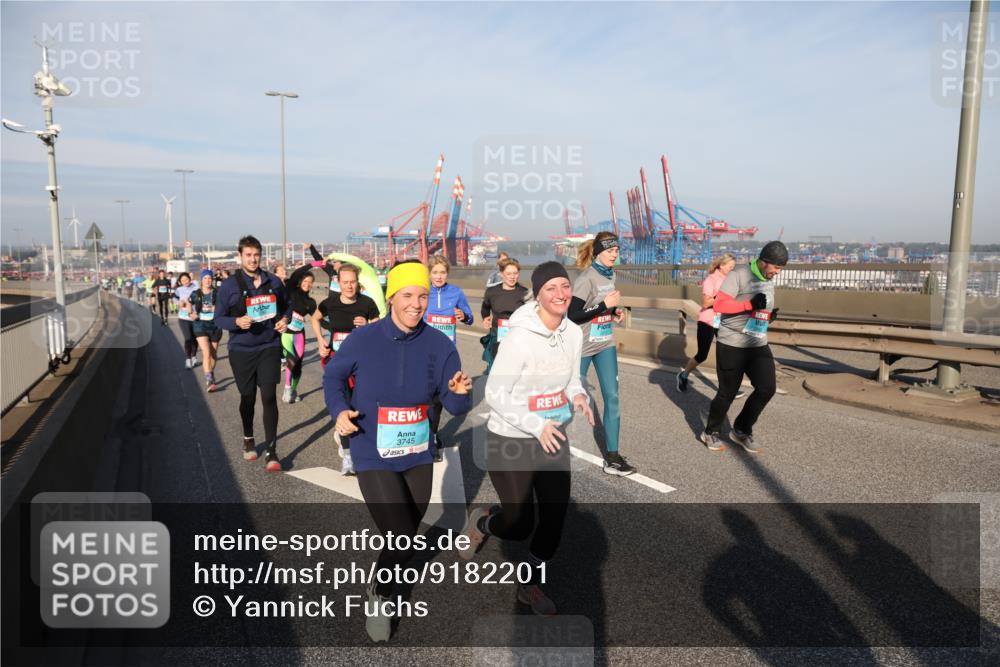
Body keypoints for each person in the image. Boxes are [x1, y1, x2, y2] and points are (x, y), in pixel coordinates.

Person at [324, 260, 472, 642]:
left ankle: (382, 578)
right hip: (371, 447)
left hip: (418, 450)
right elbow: (334, 376)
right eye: (407, 295)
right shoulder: (364, 338)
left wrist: (459, 394)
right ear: (391, 297)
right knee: (402, 535)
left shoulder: (440, 345)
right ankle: (380, 595)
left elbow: (455, 405)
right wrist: (339, 411)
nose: (416, 304)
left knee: (407, 535)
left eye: (422, 296)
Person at [461, 261, 594, 616]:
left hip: (552, 437)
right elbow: (495, 393)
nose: (560, 294)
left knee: (554, 518)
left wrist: (579, 395)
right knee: (519, 525)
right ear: (538, 295)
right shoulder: (519, 338)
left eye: (564, 286)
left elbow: (572, 379)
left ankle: (529, 583)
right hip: (510, 438)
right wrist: (535, 425)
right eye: (551, 288)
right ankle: (483, 521)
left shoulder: (573, 332)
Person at [700, 241, 788, 453]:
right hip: (732, 342)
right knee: (727, 393)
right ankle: (710, 431)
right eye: (776, 267)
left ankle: (740, 430)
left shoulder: (767, 279)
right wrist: (749, 305)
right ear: (764, 262)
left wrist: (767, 316)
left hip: (757, 341)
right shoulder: (738, 274)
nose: (777, 272)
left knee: (767, 388)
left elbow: (760, 306)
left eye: (780, 269)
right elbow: (720, 304)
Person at [214, 235, 292, 472]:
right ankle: (248, 437)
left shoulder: (273, 281)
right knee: (247, 397)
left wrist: (284, 320)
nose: (252, 259)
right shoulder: (229, 286)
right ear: (240, 257)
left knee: (268, 395)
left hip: (269, 346)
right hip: (241, 349)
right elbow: (218, 318)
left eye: (256, 255)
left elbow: (287, 305)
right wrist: (236, 322)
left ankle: (271, 451)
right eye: (248, 255)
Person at [568, 232, 635, 476]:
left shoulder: (611, 274)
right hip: (583, 347)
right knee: (569, 397)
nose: (614, 255)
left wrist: (612, 312)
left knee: (612, 397)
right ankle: (549, 440)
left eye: (616, 250)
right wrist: (604, 306)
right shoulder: (586, 278)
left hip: (605, 343)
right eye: (610, 251)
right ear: (598, 252)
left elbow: (602, 306)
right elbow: (573, 315)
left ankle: (613, 457)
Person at [312, 263, 380, 475]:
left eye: (353, 282)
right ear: (338, 283)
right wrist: (321, 341)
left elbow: (379, 329)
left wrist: (367, 326)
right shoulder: (330, 303)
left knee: (361, 405)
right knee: (343, 404)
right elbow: (315, 318)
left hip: (362, 363)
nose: (349, 286)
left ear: (357, 283)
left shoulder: (367, 303)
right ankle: (349, 456)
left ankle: (358, 443)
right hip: (338, 362)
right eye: (345, 282)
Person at [425, 255, 474, 461]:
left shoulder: (456, 292)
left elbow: (470, 317)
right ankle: (426, 438)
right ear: (429, 273)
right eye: (435, 272)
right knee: (425, 398)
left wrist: (463, 315)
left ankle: (433, 434)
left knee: (438, 400)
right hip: (425, 353)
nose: (439, 276)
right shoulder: (423, 292)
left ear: (447, 273)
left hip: (447, 355)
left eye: (442, 272)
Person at [677, 254, 745, 401]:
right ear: (721, 265)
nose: (732, 269)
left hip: (721, 321)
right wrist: (723, 297)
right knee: (702, 355)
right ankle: (684, 375)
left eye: (734, 267)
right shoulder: (711, 280)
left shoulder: (729, 280)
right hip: (707, 321)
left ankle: (727, 389)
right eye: (730, 266)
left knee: (725, 355)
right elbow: (706, 303)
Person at [481, 257, 530, 374]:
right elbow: (485, 307)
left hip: (518, 337)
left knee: (516, 371)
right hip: (497, 336)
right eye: (508, 273)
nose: (512, 277)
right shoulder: (491, 292)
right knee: (497, 371)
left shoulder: (525, 293)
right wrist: (485, 318)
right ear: (501, 274)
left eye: (515, 273)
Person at [281, 264, 318, 404]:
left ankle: (293, 390)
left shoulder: (311, 302)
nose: (307, 284)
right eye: (305, 281)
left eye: (310, 282)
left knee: (297, 365)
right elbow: (296, 273)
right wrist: (313, 265)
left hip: (299, 334)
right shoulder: (291, 291)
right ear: (300, 281)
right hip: (286, 333)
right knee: (291, 360)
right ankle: (287, 388)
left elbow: (317, 319)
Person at [191, 269, 223, 391]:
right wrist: (190, 313)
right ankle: (209, 380)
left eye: (209, 278)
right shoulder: (195, 293)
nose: (208, 280)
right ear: (201, 280)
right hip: (200, 325)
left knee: (213, 354)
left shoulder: (218, 292)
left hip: (215, 325)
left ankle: (210, 372)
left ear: (212, 280)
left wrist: (219, 309)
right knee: (206, 352)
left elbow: (225, 304)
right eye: (205, 278)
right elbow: (189, 303)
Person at [173, 272, 199, 369]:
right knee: (188, 338)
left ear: (190, 279)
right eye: (182, 280)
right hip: (183, 318)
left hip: (195, 317)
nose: (185, 282)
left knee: (194, 338)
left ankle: (194, 356)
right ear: (180, 282)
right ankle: (188, 359)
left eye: (186, 279)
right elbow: (174, 298)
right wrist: (178, 302)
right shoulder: (179, 290)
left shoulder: (196, 288)